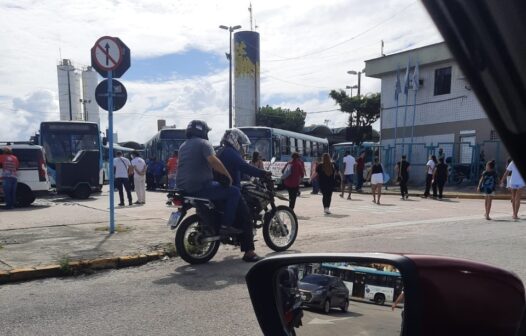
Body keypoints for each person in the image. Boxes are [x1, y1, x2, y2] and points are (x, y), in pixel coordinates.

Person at [176, 120, 241, 235]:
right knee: (234, 191)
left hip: (182, 187)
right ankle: (226, 225)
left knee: (218, 188)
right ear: (202, 131)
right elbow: (213, 161)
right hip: (200, 187)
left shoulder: (183, 145)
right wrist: (227, 176)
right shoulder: (204, 143)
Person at [217, 128, 271, 262]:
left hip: (222, 188)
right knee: (246, 216)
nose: (241, 146)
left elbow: (239, 171)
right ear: (235, 141)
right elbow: (244, 167)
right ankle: (249, 252)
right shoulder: (230, 152)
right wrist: (262, 173)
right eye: (240, 143)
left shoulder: (221, 151)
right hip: (230, 190)